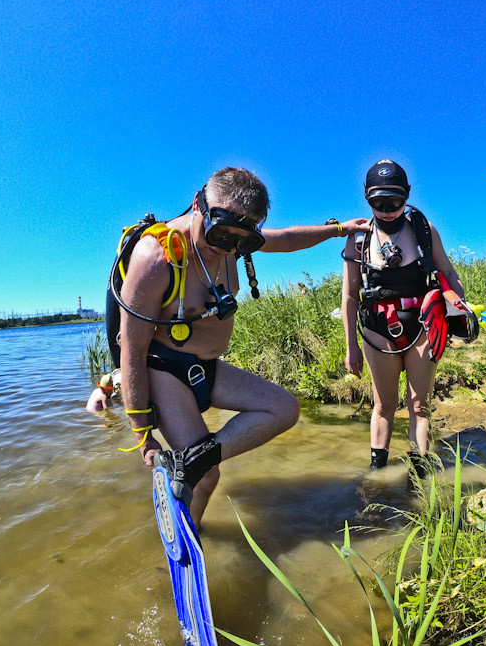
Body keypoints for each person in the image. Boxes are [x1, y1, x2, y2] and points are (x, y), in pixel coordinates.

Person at [111, 166, 369, 527]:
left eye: (240, 240)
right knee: (208, 478)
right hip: (164, 370)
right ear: (198, 205)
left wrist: (339, 229)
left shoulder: (236, 240)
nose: (225, 246)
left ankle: (189, 463)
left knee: (283, 408)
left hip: (207, 368)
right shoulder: (156, 258)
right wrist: (142, 435)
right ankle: (187, 539)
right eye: (219, 233)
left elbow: (286, 238)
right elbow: (132, 351)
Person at [341, 159, 466, 474]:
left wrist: (456, 315)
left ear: (407, 194)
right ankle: (377, 477)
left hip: (423, 326)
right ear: (367, 197)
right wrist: (350, 347)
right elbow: (349, 295)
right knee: (383, 406)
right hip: (376, 328)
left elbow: (448, 272)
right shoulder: (357, 238)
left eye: (394, 200)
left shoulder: (423, 229)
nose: (386, 209)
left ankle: (420, 481)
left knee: (419, 405)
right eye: (377, 202)